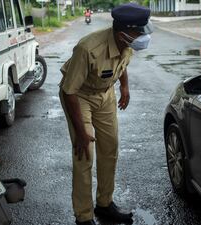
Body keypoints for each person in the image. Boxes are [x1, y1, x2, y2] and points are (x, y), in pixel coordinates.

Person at [59, 3, 153, 225]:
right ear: (122, 34)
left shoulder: (126, 43)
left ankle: (104, 204)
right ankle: (83, 216)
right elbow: (69, 91)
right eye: (138, 32)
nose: (142, 36)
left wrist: (125, 86)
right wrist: (81, 133)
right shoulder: (88, 48)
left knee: (110, 148)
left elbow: (121, 63)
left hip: (105, 94)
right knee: (85, 154)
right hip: (79, 96)